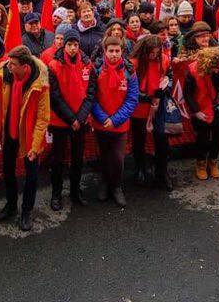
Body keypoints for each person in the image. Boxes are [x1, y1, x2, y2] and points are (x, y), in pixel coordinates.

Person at [0, 46, 51, 232]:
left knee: (31, 176)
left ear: (25, 66)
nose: (9, 66)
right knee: (8, 171)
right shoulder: (4, 74)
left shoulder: (40, 83)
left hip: (29, 134)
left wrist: (34, 147)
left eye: (13, 64)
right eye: (9, 62)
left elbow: (43, 118)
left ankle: (26, 211)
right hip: (9, 132)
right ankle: (11, 206)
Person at [47, 24, 96, 210]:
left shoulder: (87, 63)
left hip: (80, 120)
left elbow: (91, 92)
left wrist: (80, 117)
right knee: (57, 160)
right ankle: (56, 194)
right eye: (70, 44)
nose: (73, 47)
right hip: (61, 121)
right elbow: (55, 96)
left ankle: (75, 191)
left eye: (76, 44)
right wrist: (71, 119)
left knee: (77, 159)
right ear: (64, 45)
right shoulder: (53, 65)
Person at [90, 36, 138, 207]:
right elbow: (92, 97)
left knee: (118, 158)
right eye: (111, 51)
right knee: (103, 155)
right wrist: (104, 118)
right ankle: (104, 182)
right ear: (105, 51)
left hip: (120, 125)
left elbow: (132, 99)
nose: (114, 54)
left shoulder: (129, 70)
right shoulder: (95, 69)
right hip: (101, 123)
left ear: (122, 51)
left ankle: (116, 186)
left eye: (117, 51)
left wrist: (115, 119)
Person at [183, 46, 219, 181]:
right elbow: (187, 93)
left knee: (218, 136)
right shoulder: (193, 70)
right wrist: (196, 111)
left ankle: (213, 161)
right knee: (203, 138)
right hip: (201, 107)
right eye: (213, 69)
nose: (216, 71)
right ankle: (200, 163)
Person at [130, 34, 172, 189]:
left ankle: (162, 171)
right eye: (151, 53)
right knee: (139, 139)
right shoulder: (133, 63)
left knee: (162, 138)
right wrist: (146, 97)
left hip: (158, 104)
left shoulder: (164, 59)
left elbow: (170, 76)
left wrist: (166, 88)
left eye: (156, 52)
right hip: (139, 106)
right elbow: (130, 88)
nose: (154, 56)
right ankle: (139, 168)